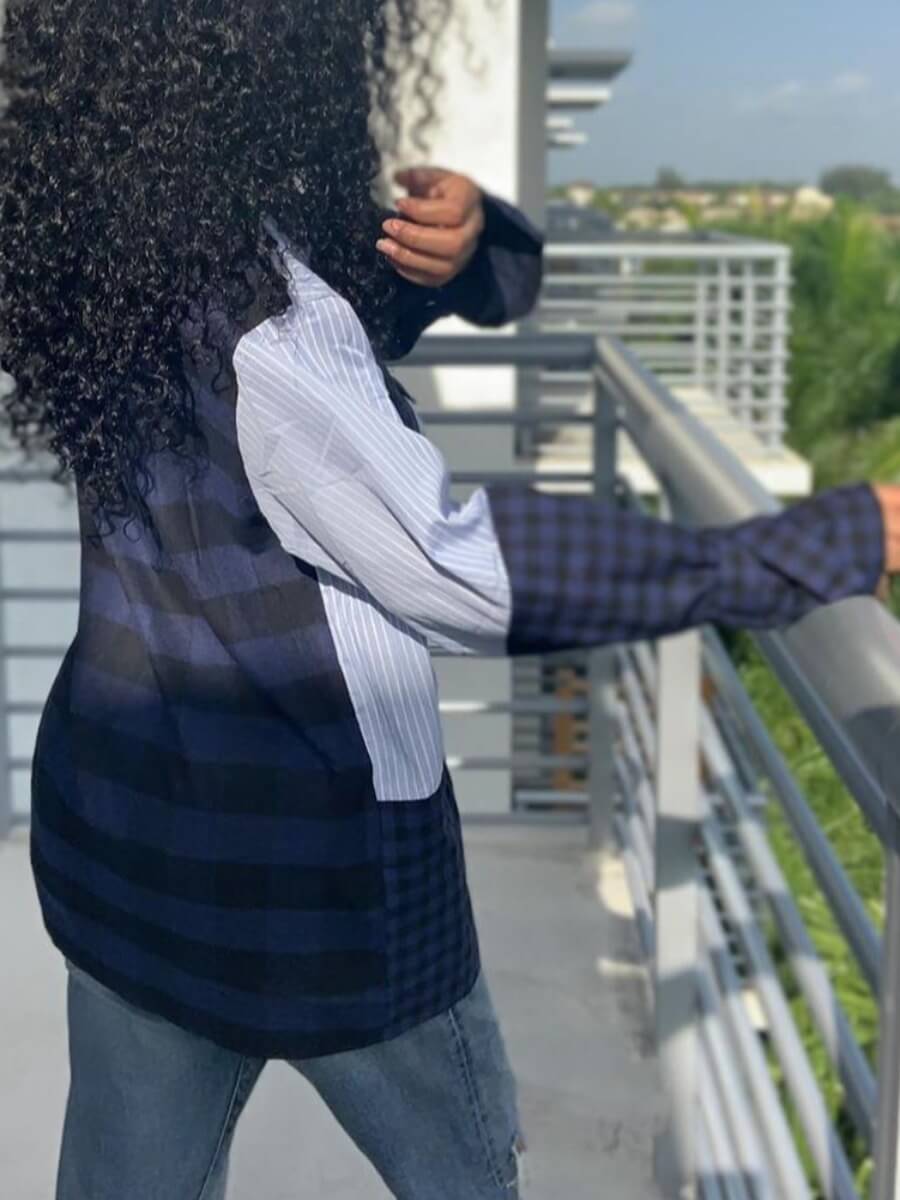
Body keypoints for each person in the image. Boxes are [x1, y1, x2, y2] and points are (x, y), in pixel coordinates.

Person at [0, 3, 897, 1199]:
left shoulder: (84, 244)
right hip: (326, 882)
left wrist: (468, 249)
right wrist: (808, 545)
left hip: (124, 845)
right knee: (466, 1180)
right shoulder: (271, 322)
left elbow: (315, 354)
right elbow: (459, 569)